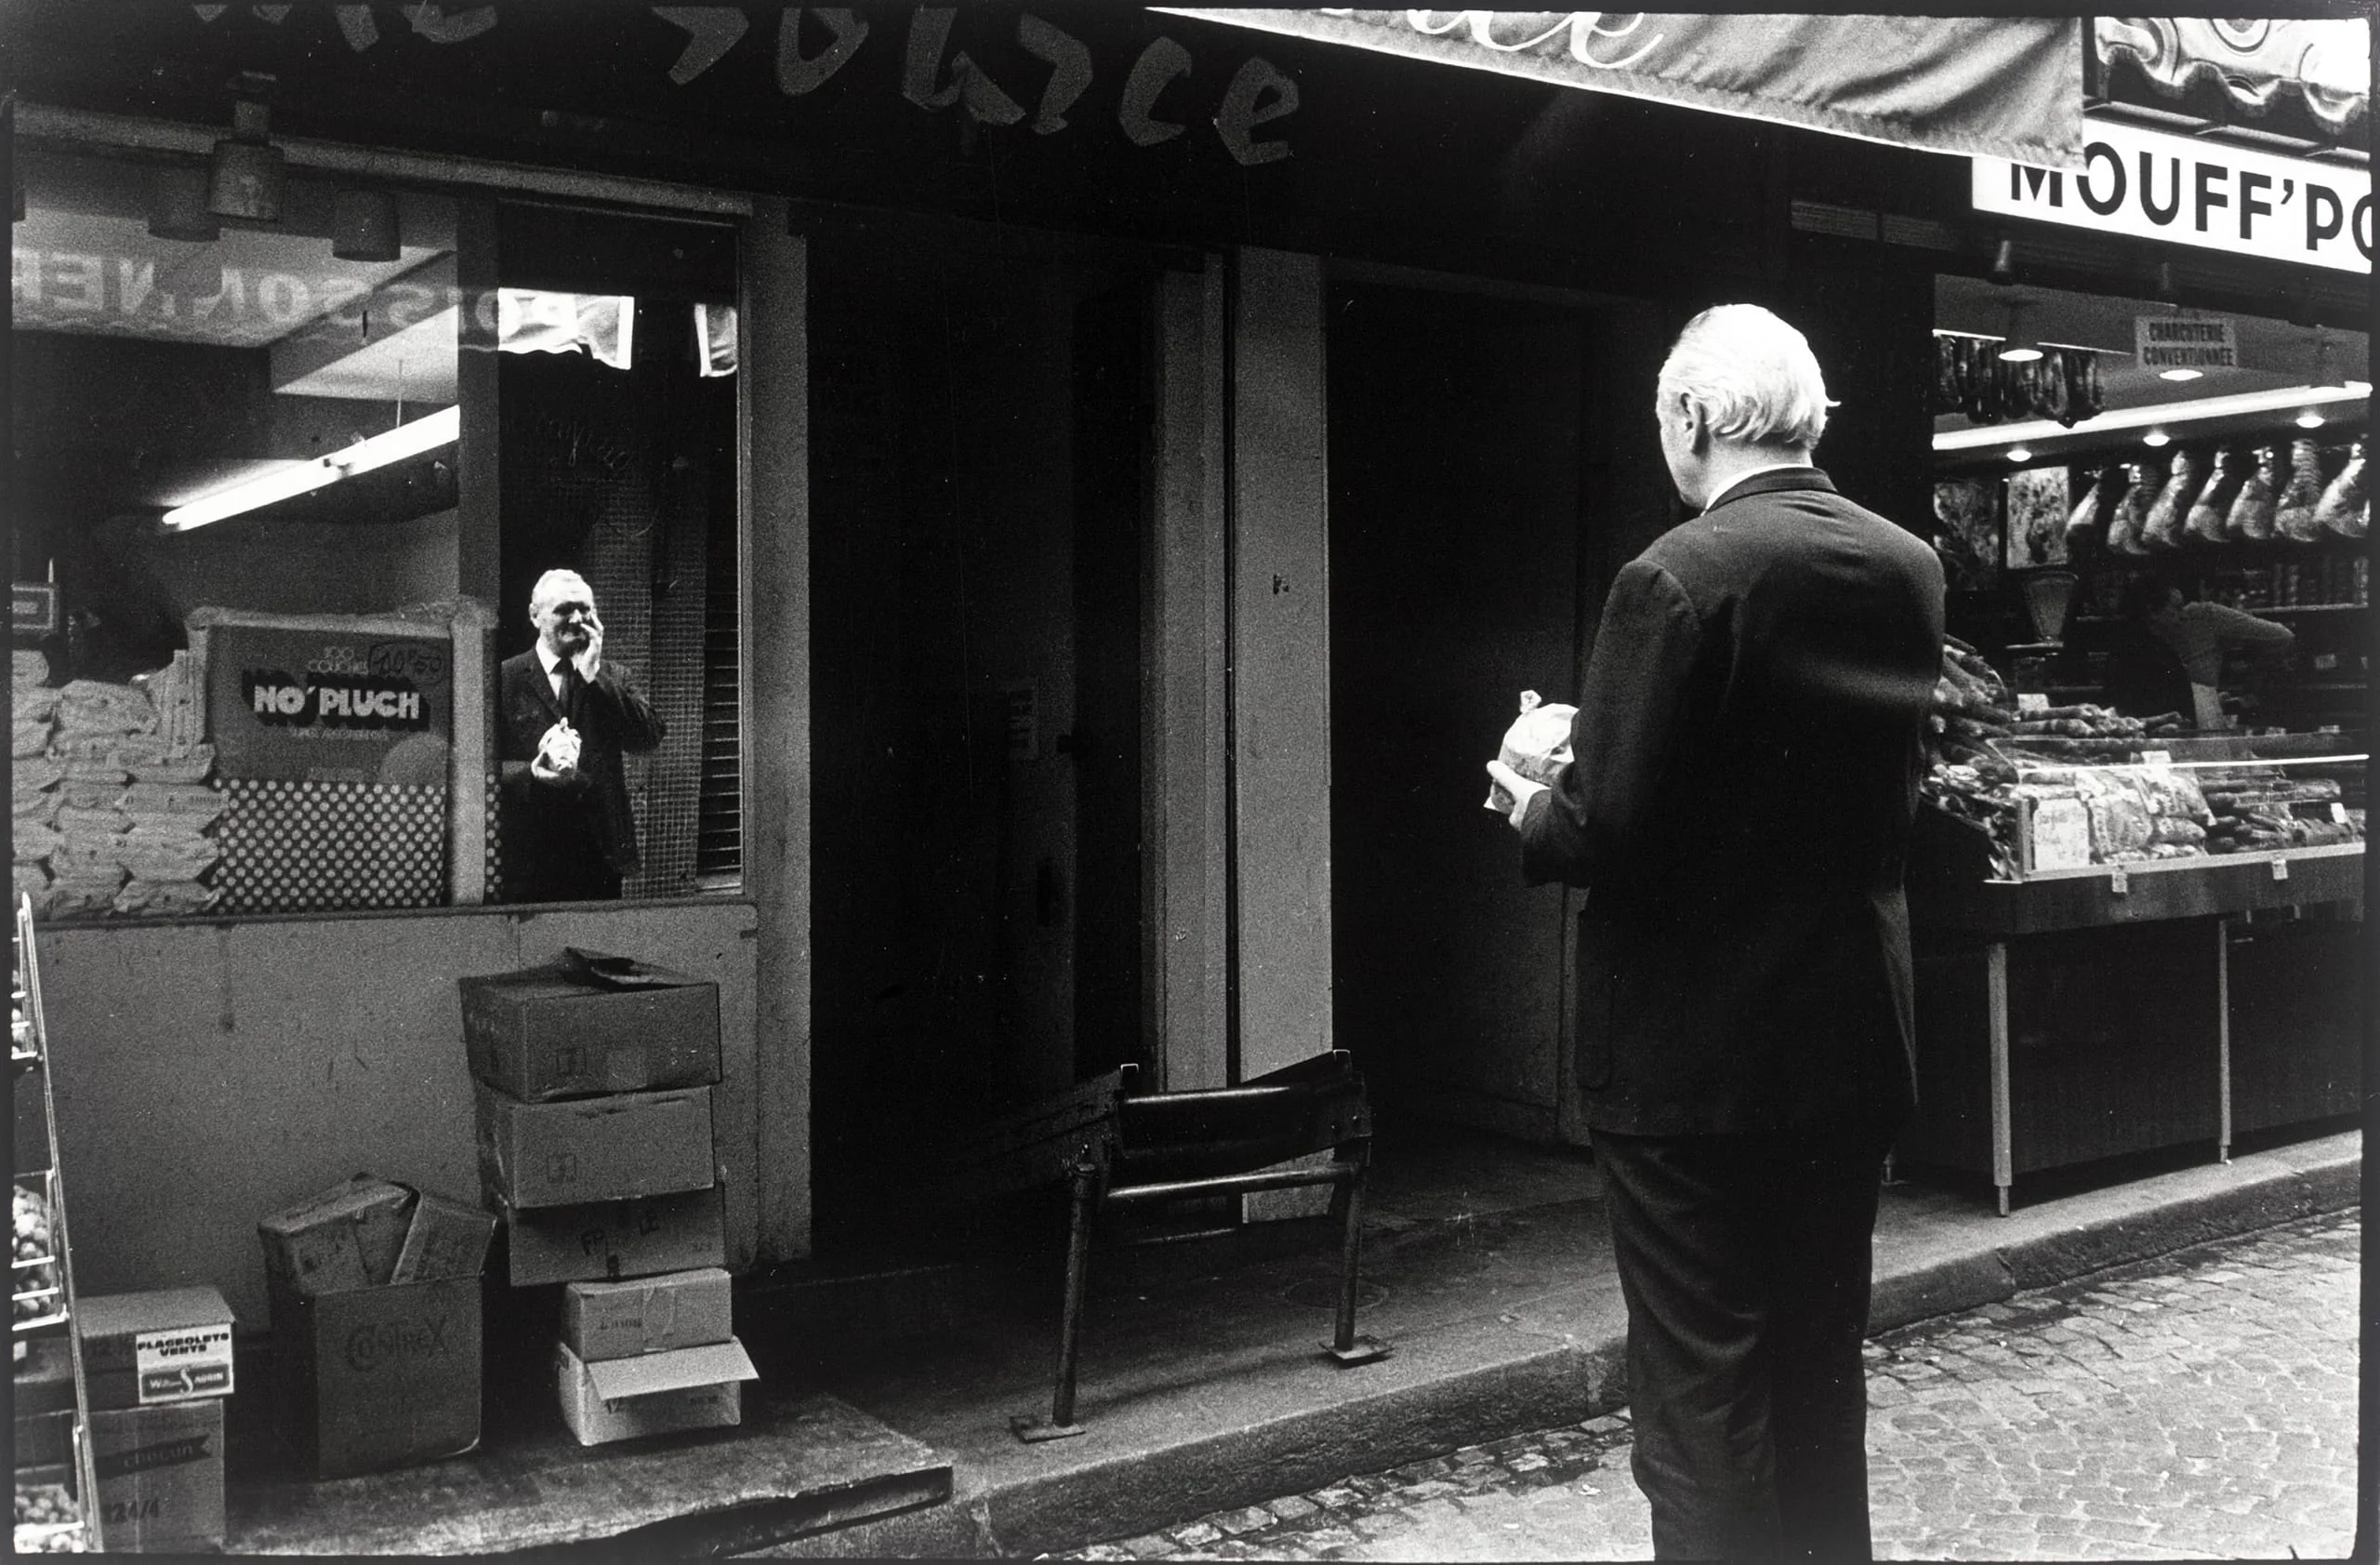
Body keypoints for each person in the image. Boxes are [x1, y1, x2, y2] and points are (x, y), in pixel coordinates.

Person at [1485, 304, 1946, 1561]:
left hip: (1690, 1060)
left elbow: (1608, 826)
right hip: (1848, 1037)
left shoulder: (1674, 576)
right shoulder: (1909, 565)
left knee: (1701, 1400)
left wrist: (1531, 796)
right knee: (1818, 1372)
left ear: (1691, 415)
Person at [497, 569, 666, 902]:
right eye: (564, 609)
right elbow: (477, 765)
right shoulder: (504, 678)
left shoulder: (613, 676)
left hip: (599, 854)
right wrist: (530, 773)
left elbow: (648, 738)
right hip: (528, 852)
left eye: (585, 609)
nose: (577, 619)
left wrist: (594, 676)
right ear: (535, 615)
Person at [2106, 574, 2293, 730]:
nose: (2183, 616)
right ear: (2153, 612)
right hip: (2159, 732)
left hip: (2187, 729)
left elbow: (2282, 637)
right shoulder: (2141, 650)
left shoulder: (2193, 625)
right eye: (2176, 609)